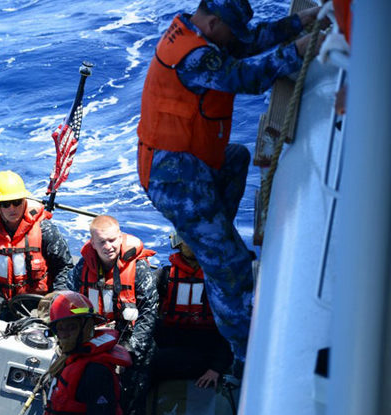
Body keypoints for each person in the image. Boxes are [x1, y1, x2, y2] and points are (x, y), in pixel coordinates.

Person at [136, 0, 322, 367]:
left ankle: (212, 237)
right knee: (231, 267)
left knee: (235, 158)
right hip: (173, 179)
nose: (234, 38)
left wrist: (298, 22)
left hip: (190, 165)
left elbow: (246, 43)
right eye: (230, 30)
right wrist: (296, 51)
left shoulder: (199, 33)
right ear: (214, 21)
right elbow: (244, 78)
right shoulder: (193, 58)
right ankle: (244, 354)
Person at [68, 215, 158, 415]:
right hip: (94, 344)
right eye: (102, 242)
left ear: (120, 238)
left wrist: (128, 353)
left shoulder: (139, 269)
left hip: (131, 347)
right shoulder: (81, 269)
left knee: (129, 407)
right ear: (92, 244)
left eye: (112, 240)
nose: (108, 246)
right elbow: (71, 299)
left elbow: (150, 314)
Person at [0, 170, 73, 308]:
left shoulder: (45, 230)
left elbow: (64, 267)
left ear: (24, 201)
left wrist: (58, 297)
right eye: (6, 204)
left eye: (16, 202)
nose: (12, 208)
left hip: (38, 307)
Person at [153, 234, 233, 388]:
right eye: (187, 239)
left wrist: (217, 368)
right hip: (173, 339)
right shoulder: (165, 276)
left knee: (157, 361)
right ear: (178, 244)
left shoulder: (220, 281)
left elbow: (232, 327)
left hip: (206, 348)